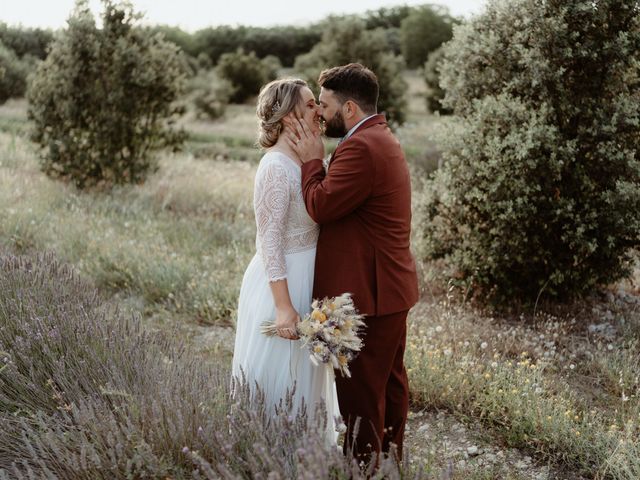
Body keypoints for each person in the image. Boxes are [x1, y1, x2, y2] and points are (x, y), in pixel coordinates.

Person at [284, 63, 419, 464]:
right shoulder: (380, 137)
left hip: (370, 294)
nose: (319, 114)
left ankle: (365, 471)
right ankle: (390, 464)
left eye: (324, 105)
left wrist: (312, 160)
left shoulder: (359, 147)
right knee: (389, 386)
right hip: (389, 289)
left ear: (349, 110)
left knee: (361, 395)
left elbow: (320, 206)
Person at [231, 78, 339, 445]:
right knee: (280, 374)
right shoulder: (275, 167)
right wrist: (282, 307)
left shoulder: (308, 158)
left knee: (306, 376)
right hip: (282, 282)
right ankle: (268, 454)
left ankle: (305, 454)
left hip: (309, 275)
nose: (317, 110)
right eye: (310, 104)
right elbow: (270, 241)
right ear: (289, 113)